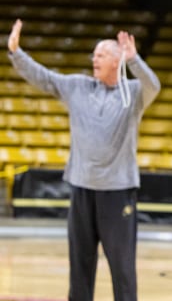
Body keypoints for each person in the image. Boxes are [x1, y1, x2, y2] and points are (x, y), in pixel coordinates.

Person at [7, 19, 161, 301]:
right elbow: (45, 77)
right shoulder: (77, 86)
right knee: (80, 264)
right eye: (94, 55)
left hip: (117, 192)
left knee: (122, 267)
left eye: (101, 55)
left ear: (117, 61)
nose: (94, 59)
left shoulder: (134, 93)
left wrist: (135, 59)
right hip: (81, 189)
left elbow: (154, 85)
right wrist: (17, 54)